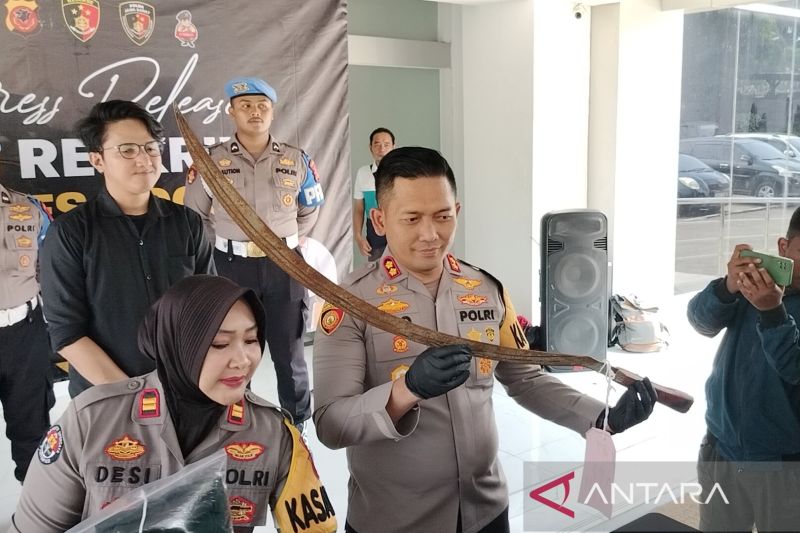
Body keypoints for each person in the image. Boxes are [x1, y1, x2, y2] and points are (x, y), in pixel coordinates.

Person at [313, 147, 657, 533]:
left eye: (443, 216)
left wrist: (601, 417)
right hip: (394, 520)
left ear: (457, 212)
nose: (430, 234)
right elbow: (330, 424)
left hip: (486, 510)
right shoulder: (349, 302)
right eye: (411, 218)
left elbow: (526, 380)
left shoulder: (485, 289)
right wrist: (405, 391)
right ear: (379, 220)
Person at [10, 275, 337, 532]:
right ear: (178, 345)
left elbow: (314, 529)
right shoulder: (90, 422)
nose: (243, 359)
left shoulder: (274, 434)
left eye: (251, 340)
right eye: (220, 343)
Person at [39, 100, 215, 398]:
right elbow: (67, 333)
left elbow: (208, 306)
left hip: (184, 387)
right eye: (128, 150)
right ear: (98, 160)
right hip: (107, 397)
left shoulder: (187, 223)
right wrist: (135, 393)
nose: (144, 159)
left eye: (151, 148)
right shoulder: (71, 233)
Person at [184, 76, 325, 432]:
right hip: (232, 267)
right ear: (231, 112)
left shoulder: (296, 159)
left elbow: (310, 209)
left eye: (262, 106)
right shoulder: (211, 161)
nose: (255, 112)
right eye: (245, 105)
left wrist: (287, 243)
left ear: (272, 112)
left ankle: (296, 424)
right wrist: (227, 243)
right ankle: (237, 421)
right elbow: (195, 215)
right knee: (234, 352)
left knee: (289, 352)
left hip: (285, 266)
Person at [687, 212, 800, 532]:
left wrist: (773, 312)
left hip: (786, 465)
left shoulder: (765, 297)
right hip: (721, 446)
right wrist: (726, 288)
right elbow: (700, 322)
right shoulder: (754, 283)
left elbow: (794, 368)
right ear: (783, 246)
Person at [0, 179, 53, 482]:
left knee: (33, 434)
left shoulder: (29, 209)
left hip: (25, 333)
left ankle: (36, 503)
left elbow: (49, 267)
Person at [352, 127, 394, 261]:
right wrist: (358, 237)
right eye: (377, 144)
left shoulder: (403, 173)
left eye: (386, 145)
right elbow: (359, 208)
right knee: (377, 271)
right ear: (370, 147)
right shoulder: (363, 173)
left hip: (399, 231)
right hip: (374, 235)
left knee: (402, 270)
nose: (382, 149)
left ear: (393, 147)